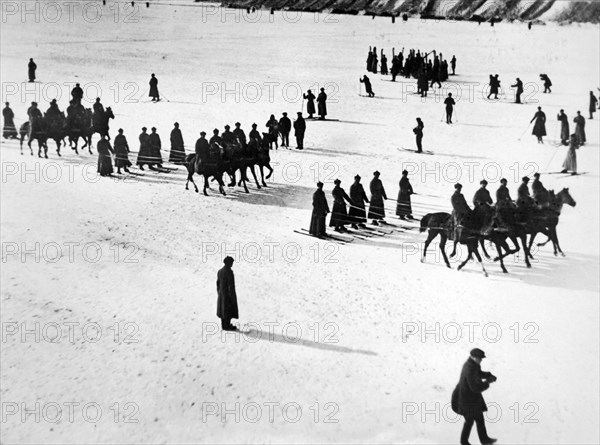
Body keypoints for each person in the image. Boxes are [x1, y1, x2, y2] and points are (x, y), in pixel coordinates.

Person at [451, 348, 497, 445]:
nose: (481, 360)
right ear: (474, 357)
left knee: (477, 419)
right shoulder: (469, 368)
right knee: (470, 420)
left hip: (470, 399)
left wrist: (488, 374)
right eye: (480, 358)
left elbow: (478, 374)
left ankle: (483, 440)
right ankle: (465, 442)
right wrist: (487, 382)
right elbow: (475, 388)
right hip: (466, 400)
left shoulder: (473, 365)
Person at [216, 256, 239, 331]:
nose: (232, 264)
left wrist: (219, 292)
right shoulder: (229, 272)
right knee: (228, 310)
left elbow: (218, 283)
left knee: (222, 310)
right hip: (227, 295)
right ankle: (227, 326)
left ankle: (224, 325)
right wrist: (232, 297)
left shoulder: (220, 271)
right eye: (231, 263)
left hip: (221, 294)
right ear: (228, 263)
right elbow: (231, 286)